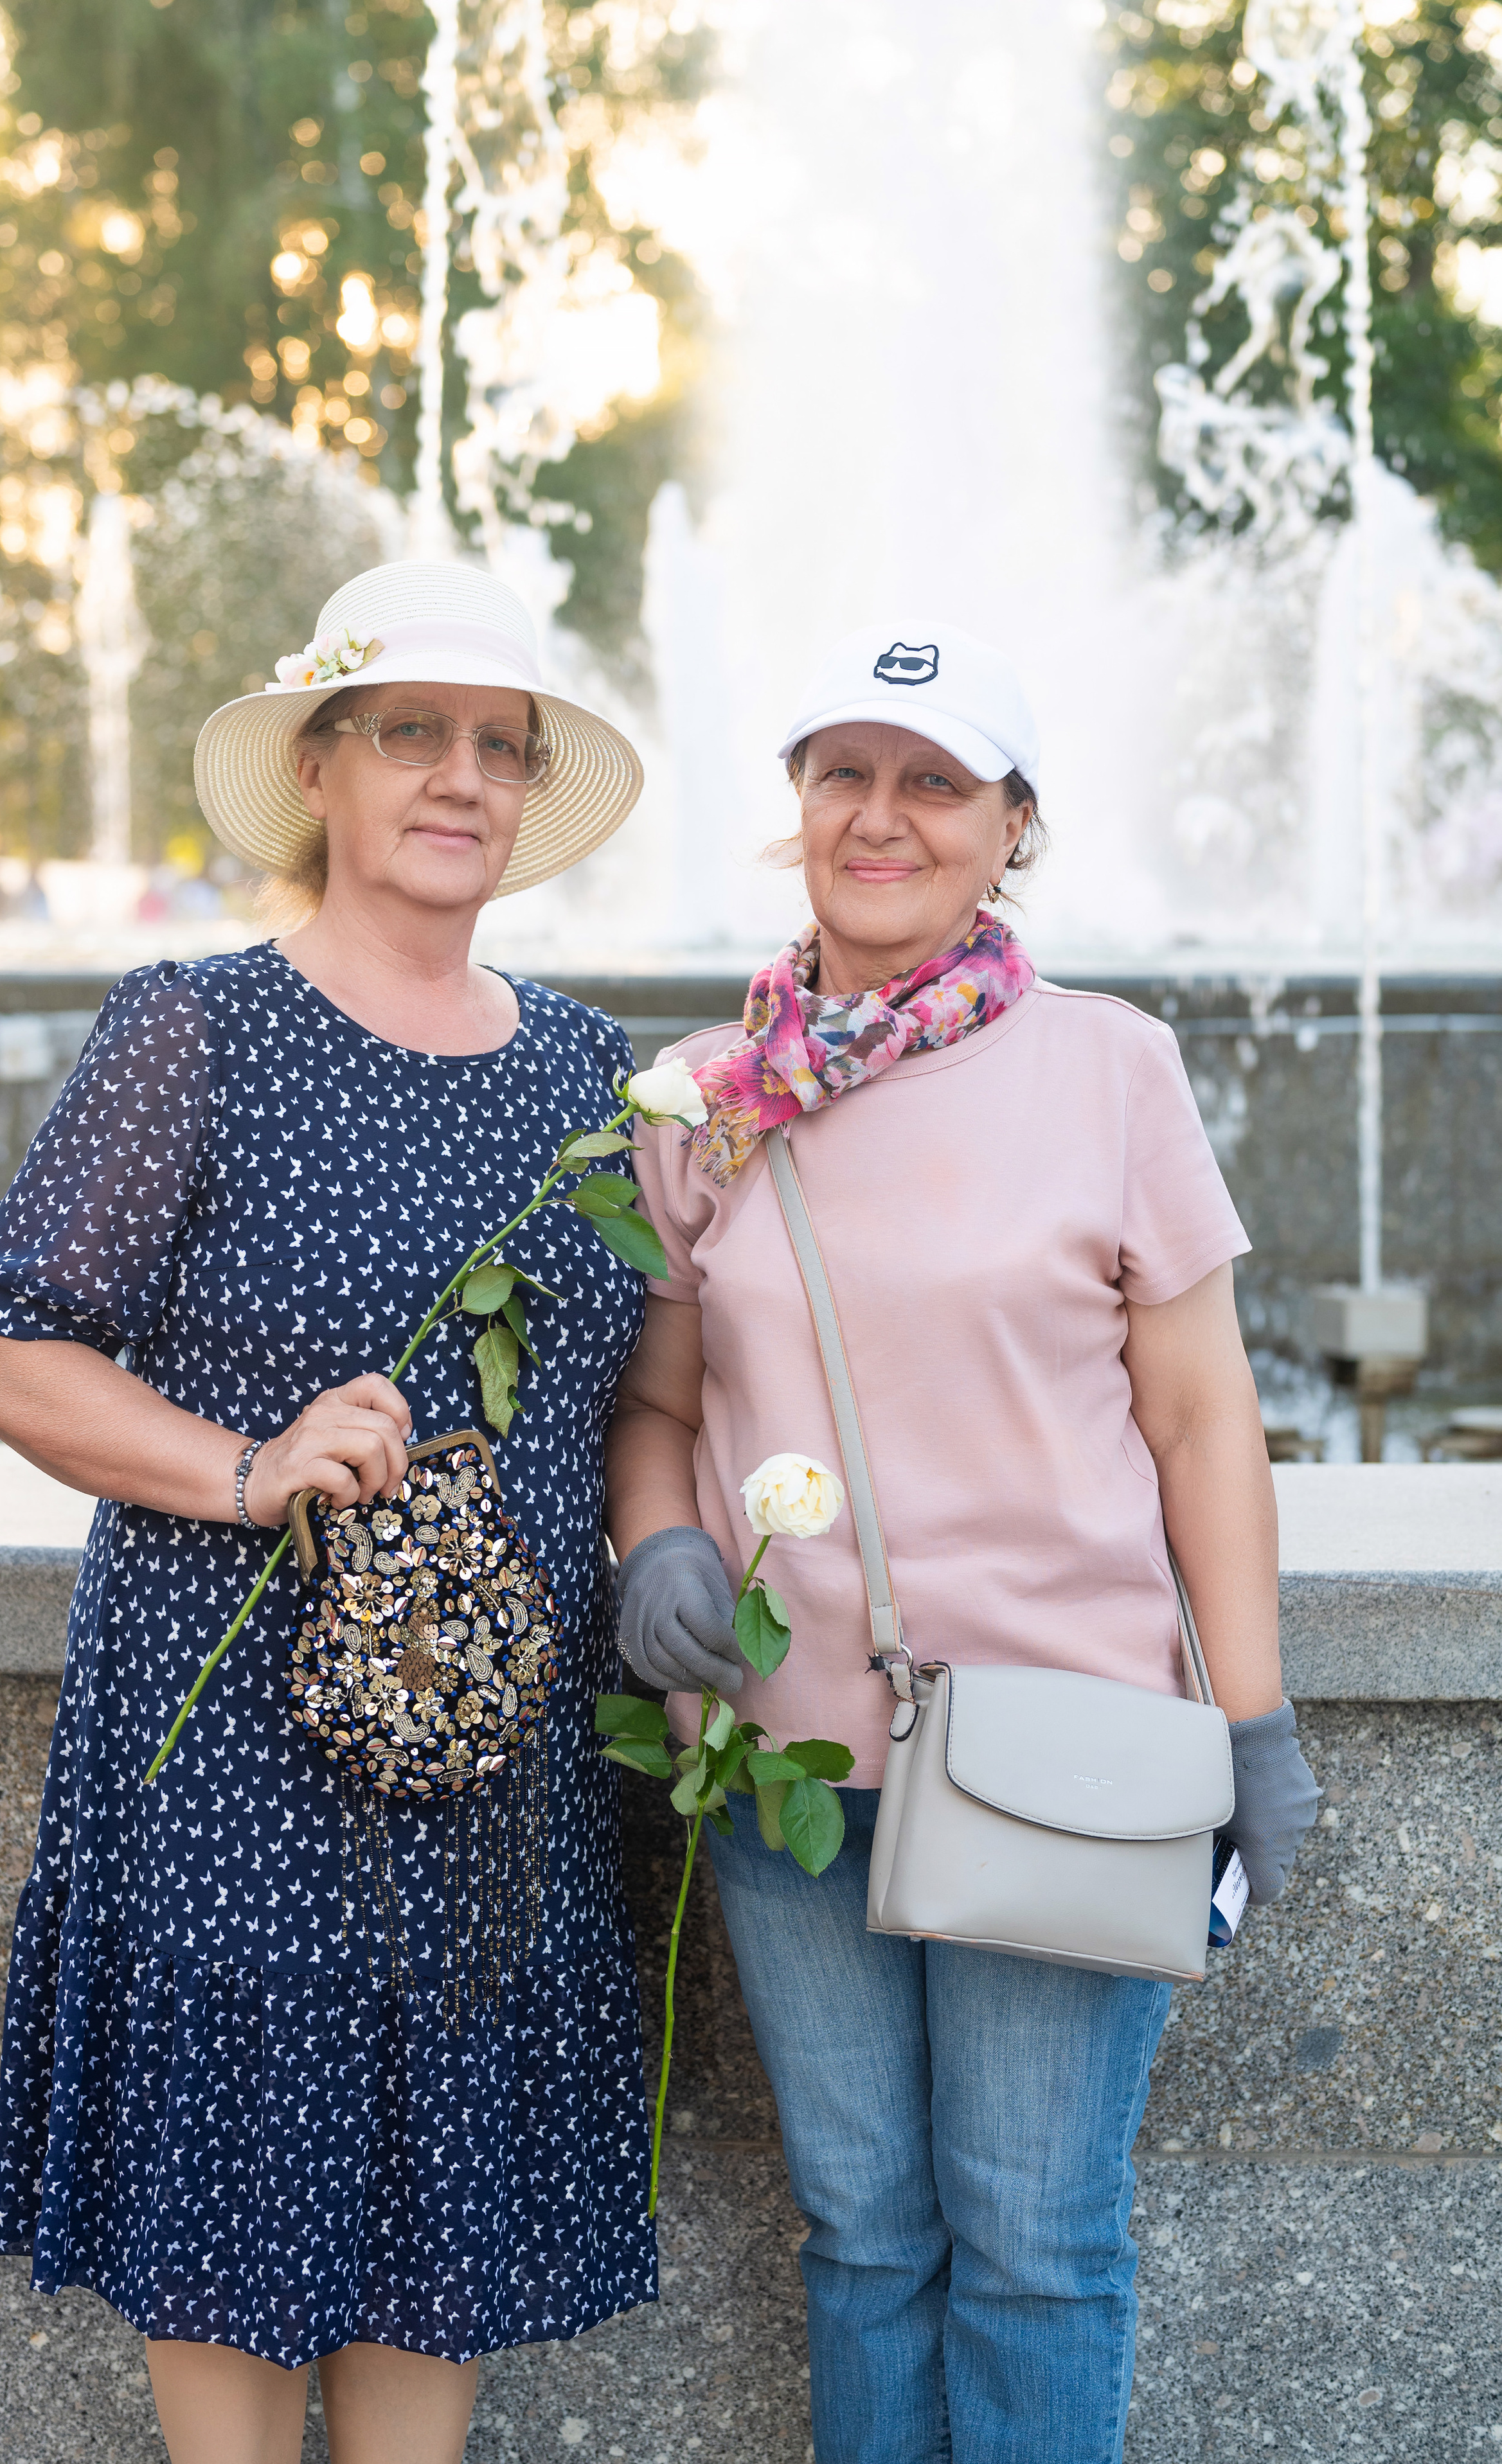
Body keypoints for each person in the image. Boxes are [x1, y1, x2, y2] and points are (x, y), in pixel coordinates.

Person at [0, 560, 656, 2464]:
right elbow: (4, 1356)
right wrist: (245, 1468)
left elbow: (649, 1394)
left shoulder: (597, 1079)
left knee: (443, 2234)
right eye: (411, 733)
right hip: (237, 1745)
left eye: (497, 746)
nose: (460, 777)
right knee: (232, 2235)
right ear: (322, 769)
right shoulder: (201, 1030)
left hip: (495, 1766)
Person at [606, 621, 1318, 2464]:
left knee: (1033, 2243)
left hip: (1055, 1746)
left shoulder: (1113, 1066)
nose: (883, 813)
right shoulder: (707, 1097)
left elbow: (1199, 1417)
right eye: (844, 771)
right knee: (864, 2239)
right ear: (797, 810)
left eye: (934, 779)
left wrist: (1250, 1719)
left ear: (1012, 823)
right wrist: (654, 1554)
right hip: (781, 1761)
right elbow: (664, 1405)